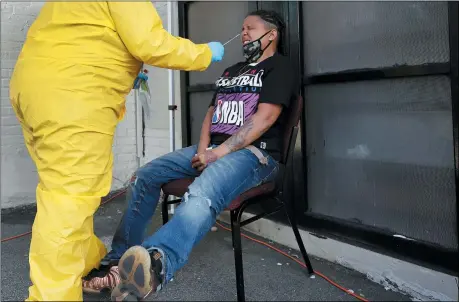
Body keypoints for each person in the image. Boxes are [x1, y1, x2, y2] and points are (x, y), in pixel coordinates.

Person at [9, 2, 225, 301]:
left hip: (37, 89)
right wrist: (204, 53)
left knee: (63, 191)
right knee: (69, 198)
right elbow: (151, 43)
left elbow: (87, 35)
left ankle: (85, 261)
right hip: (73, 96)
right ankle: (52, 295)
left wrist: (123, 66)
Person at [82, 9, 297, 301]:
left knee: (202, 190)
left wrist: (218, 153)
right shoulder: (232, 71)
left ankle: (154, 265)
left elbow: (266, 118)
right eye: (242, 29)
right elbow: (210, 114)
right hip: (214, 150)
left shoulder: (279, 68)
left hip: (254, 155)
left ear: (271, 34)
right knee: (146, 175)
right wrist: (202, 150)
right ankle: (119, 259)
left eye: (251, 28)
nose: (244, 33)